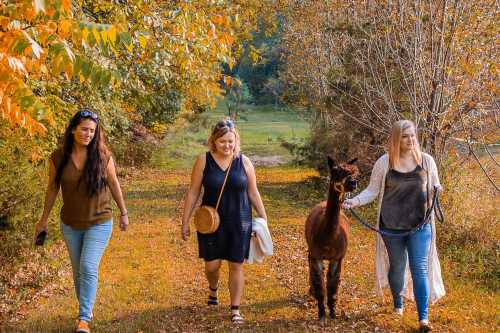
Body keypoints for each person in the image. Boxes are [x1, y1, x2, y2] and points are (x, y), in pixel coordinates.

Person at [342, 120, 445, 332]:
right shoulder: (385, 163)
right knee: (397, 268)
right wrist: (354, 201)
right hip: (391, 226)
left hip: (420, 225)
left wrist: (438, 189)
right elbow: (372, 191)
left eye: (413, 136)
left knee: (420, 268)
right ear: (396, 138)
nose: (410, 140)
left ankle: (423, 319)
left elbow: (434, 186)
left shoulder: (427, 161)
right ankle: (398, 302)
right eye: (405, 136)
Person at [34, 108, 129, 333]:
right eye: (84, 129)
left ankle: (84, 318)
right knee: (78, 270)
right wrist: (43, 220)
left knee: (88, 266)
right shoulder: (58, 157)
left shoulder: (103, 155)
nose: (88, 134)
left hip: (99, 221)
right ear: (73, 129)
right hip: (70, 224)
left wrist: (123, 212)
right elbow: (52, 189)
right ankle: (86, 306)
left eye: (92, 131)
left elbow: (114, 184)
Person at [181, 119, 267, 324]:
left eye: (230, 141)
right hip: (211, 223)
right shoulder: (204, 160)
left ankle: (235, 309)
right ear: (214, 141)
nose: (227, 146)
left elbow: (253, 193)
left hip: (239, 221)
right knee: (212, 266)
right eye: (222, 142)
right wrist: (184, 222)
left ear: (236, 141)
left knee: (236, 265)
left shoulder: (244, 162)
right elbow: (193, 193)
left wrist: (264, 220)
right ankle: (213, 288)